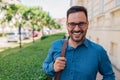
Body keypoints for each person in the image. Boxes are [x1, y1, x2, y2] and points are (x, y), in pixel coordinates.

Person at [42, 6, 115, 80]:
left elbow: (109, 76)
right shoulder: (56, 45)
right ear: (67, 25)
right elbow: (45, 66)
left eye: (81, 24)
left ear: (87, 24)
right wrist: (53, 67)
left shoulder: (98, 51)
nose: (76, 29)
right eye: (72, 24)